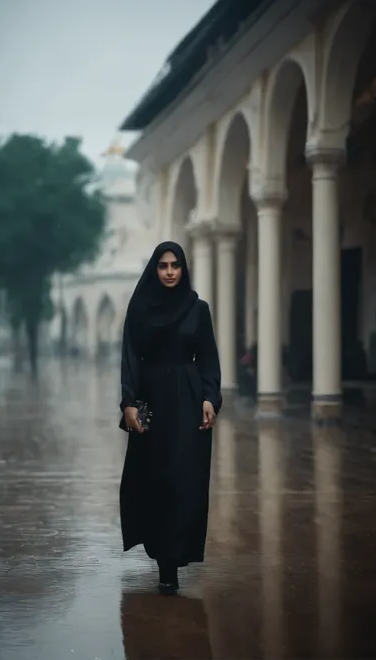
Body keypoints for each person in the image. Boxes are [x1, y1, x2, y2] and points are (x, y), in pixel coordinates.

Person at [119, 241, 222, 595]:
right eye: (163, 266)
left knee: (184, 479)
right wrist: (129, 402)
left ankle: (171, 564)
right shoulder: (140, 309)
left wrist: (211, 397)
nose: (169, 272)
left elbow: (208, 358)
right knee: (154, 479)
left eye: (175, 265)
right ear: (154, 269)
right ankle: (161, 553)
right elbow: (130, 357)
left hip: (189, 400)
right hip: (151, 401)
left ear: (183, 268)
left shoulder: (198, 309)